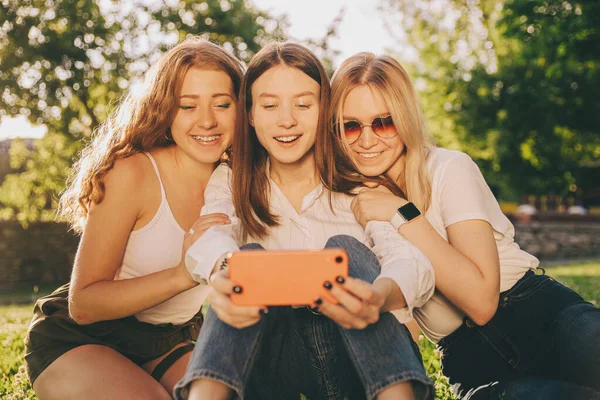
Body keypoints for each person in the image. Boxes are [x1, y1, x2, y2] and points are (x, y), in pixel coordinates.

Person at [328, 52, 600, 399]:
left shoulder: (448, 168)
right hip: (472, 363)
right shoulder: (347, 206)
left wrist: (402, 214)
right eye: (349, 125)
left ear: (406, 119)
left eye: (383, 122)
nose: (366, 140)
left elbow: (481, 301)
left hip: (543, 316)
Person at [175, 42, 435, 400]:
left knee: (344, 248)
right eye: (270, 105)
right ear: (249, 114)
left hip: (355, 356)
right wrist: (223, 268)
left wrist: (378, 296)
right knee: (242, 262)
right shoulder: (232, 179)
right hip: (276, 360)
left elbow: (410, 260)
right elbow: (211, 234)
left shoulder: (357, 181)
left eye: (303, 104)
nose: (287, 120)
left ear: (323, 109)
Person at [24, 37, 244, 400]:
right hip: (80, 336)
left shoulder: (242, 183)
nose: (207, 120)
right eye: (187, 106)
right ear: (164, 110)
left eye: (222, 103)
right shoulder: (133, 174)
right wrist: (183, 274)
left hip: (169, 339)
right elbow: (84, 305)